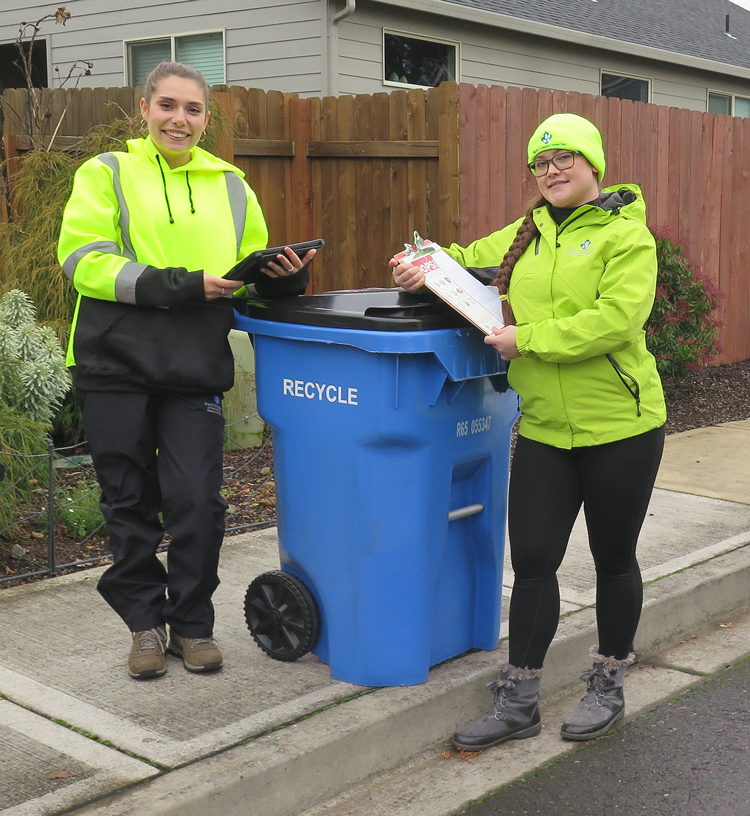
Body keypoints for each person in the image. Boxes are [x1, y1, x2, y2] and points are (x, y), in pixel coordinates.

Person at [390, 113, 666, 745]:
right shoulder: (527, 233)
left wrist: (527, 341)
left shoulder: (628, 237)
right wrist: (421, 265)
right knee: (535, 560)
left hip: (621, 426)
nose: (552, 170)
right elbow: (460, 262)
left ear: (594, 163)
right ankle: (519, 699)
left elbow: (616, 322)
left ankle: (609, 680)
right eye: (541, 163)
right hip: (544, 428)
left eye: (564, 157)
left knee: (613, 558)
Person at [58, 61, 315, 680]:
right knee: (129, 502)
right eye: (167, 106)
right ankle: (146, 624)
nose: (179, 119)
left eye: (192, 109)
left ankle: (192, 623)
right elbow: (83, 261)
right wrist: (182, 285)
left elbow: (246, 279)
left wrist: (287, 280)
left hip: (193, 366)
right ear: (144, 108)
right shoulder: (106, 173)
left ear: (206, 116)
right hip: (114, 363)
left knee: (197, 502)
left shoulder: (232, 184)